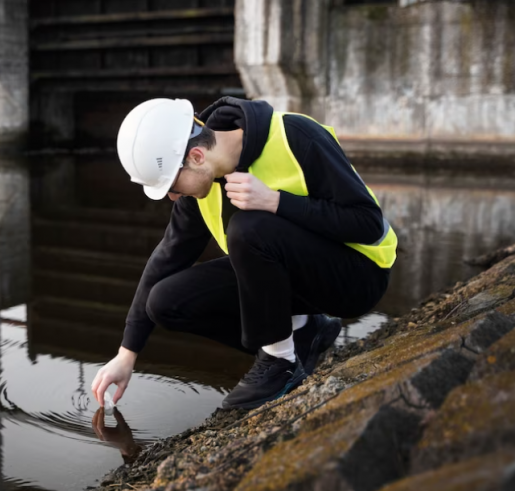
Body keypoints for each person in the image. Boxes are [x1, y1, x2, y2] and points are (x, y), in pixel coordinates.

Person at [90, 97, 397, 410]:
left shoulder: (296, 135)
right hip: (301, 284)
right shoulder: (202, 182)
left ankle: (280, 365)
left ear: (196, 156)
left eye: (171, 184)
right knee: (166, 302)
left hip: (359, 276)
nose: (172, 196)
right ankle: (304, 332)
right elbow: (167, 257)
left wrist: (277, 202)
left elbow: (368, 223)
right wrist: (127, 353)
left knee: (248, 228)